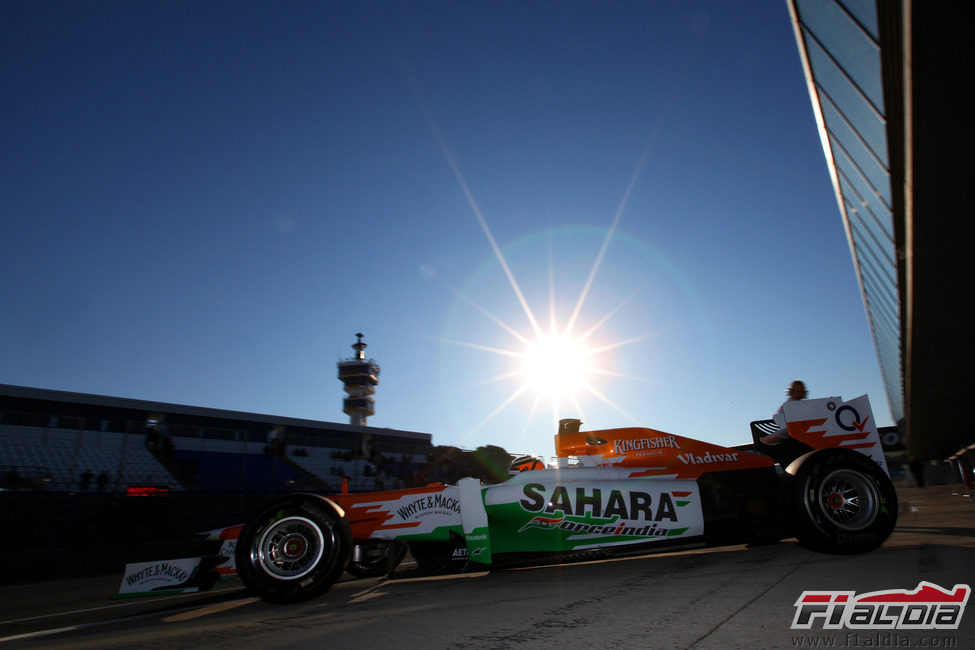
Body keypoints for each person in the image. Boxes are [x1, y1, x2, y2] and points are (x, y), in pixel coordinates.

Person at [760, 380, 807, 445]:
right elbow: (779, 419)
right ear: (791, 392)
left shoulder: (803, 405)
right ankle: (766, 440)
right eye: (797, 391)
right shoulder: (789, 405)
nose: (799, 393)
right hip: (788, 431)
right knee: (790, 429)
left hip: (798, 432)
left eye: (801, 391)